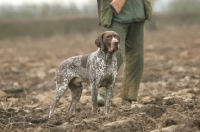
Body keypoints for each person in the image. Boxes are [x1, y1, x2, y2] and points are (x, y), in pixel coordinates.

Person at [97, 0, 152, 105]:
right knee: (115, 54)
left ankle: (128, 97)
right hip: (117, 16)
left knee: (137, 58)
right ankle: (102, 93)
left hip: (138, 14)